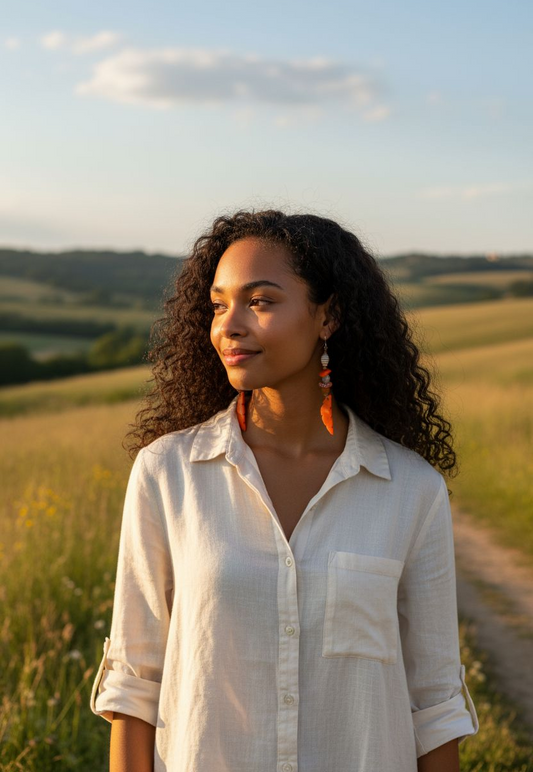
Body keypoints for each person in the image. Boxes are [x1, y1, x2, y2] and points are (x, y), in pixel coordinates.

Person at [90, 209, 479, 771]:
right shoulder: (167, 474)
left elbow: (436, 700)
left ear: (329, 316)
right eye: (219, 305)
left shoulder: (411, 491)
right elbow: (134, 683)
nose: (230, 325)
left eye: (261, 301)